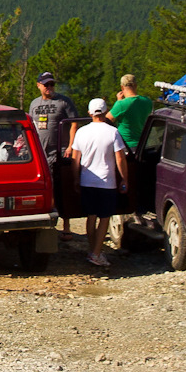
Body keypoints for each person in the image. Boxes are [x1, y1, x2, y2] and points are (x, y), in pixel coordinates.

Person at [68, 98, 129, 270]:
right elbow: (120, 158)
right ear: (105, 111)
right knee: (104, 218)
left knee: (91, 216)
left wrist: (75, 179)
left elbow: (75, 159)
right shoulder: (112, 132)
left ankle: (93, 250)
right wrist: (124, 178)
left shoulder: (81, 132)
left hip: (87, 180)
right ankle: (96, 253)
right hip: (106, 182)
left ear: (89, 113)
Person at [28, 72, 81, 236]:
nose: (49, 87)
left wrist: (71, 145)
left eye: (52, 84)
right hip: (40, 153)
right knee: (45, 189)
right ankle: (45, 223)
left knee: (62, 189)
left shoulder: (64, 102)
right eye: (46, 85)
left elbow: (74, 123)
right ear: (38, 85)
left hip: (60, 152)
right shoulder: (34, 104)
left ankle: (66, 226)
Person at [107, 74, 155, 236]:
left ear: (122, 87)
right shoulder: (147, 101)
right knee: (140, 178)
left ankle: (126, 208)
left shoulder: (123, 104)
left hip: (126, 146)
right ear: (135, 85)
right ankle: (141, 207)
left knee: (124, 177)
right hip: (143, 144)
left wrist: (118, 102)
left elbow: (107, 120)